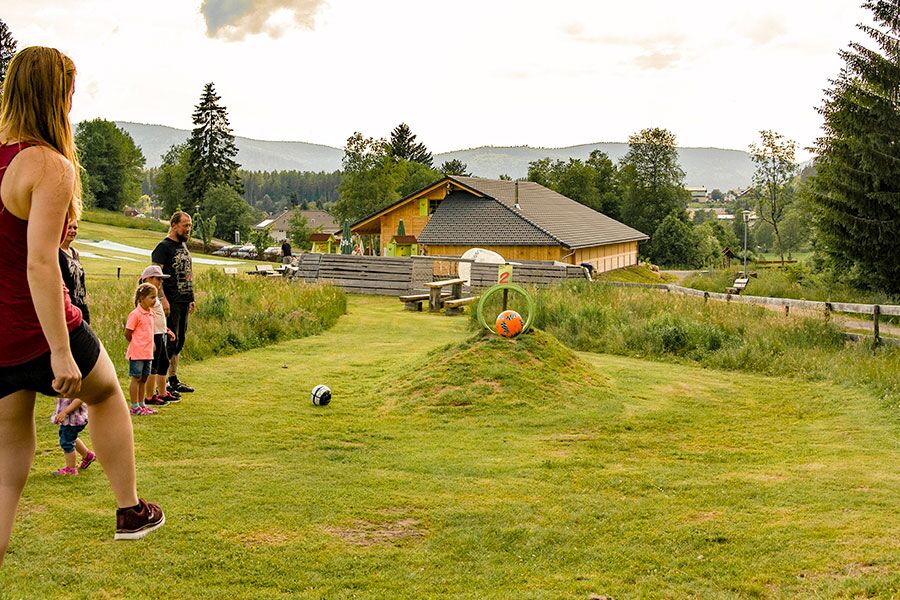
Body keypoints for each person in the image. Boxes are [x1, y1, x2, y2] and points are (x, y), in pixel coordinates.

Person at [0, 47, 164, 563]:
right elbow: (40, 266)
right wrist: (60, 352)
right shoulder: (49, 165)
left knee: (7, 463)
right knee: (108, 392)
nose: (74, 100)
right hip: (42, 329)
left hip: (0, 338)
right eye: (71, 90)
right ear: (57, 96)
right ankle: (129, 509)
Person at [152, 212, 195, 394]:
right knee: (169, 341)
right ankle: (161, 384)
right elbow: (154, 277)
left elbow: (187, 273)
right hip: (170, 300)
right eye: (185, 225)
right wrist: (162, 299)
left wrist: (191, 297)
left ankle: (173, 378)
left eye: (190, 225)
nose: (188, 229)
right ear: (174, 225)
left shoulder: (183, 246)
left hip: (184, 299)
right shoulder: (163, 248)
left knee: (179, 341)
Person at [139, 265, 179, 407]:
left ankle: (162, 392)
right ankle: (149, 396)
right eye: (158, 279)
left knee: (164, 363)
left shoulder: (154, 296)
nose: (160, 282)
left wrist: (166, 329)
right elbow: (144, 318)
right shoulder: (145, 298)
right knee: (153, 366)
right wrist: (149, 338)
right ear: (148, 279)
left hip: (160, 332)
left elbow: (157, 317)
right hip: (153, 335)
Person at [125, 283, 158, 416]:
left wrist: (152, 344)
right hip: (137, 353)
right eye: (152, 297)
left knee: (144, 378)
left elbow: (149, 332)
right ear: (142, 298)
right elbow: (128, 332)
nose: (154, 300)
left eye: (155, 297)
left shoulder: (151, 314)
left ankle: (141, 404)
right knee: (136, 378)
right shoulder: (135, 314)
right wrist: (136, 344)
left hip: (148, 352)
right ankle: (134, 406)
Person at [50, 397, 95, 476]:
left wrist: (65, 412)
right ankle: (87, 455)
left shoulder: (75, 385)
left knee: (67, 442)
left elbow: (79, 398)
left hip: (73, 419)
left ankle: (71, 469)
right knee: (69, 437)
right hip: (68, 418)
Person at [59, 221, 89, 323]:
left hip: (81, 305)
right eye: (69, 227)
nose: (72, 231)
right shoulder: (56, 253)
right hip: (67, 306)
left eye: (75, 228)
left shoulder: (75, 253)